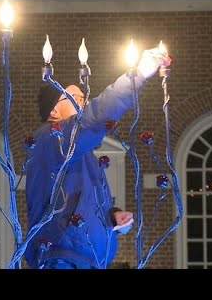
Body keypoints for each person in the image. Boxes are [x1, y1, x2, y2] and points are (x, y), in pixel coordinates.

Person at [24, 45, 171, 269]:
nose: (84, 104)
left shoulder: (79, 152)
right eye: (76, 99)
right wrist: (137, 75)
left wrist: (111, 218)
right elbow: (95, 117)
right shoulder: (51, 138)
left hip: (86, 258)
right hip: (61, 258)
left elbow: (79, 202)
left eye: (85, 99)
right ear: (54, 111)